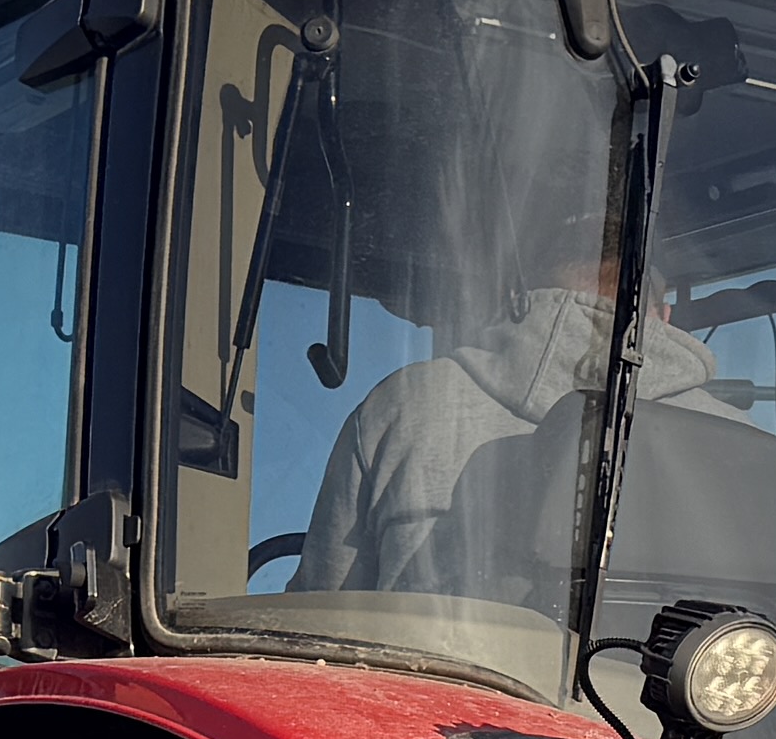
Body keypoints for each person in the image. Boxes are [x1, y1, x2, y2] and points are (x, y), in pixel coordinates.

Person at [290, 253, 744, 606]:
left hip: (425, 718)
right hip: (662, 727)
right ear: (663, 318)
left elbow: (323, 615)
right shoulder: (741, 445)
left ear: (527, 299)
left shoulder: (405, 403)